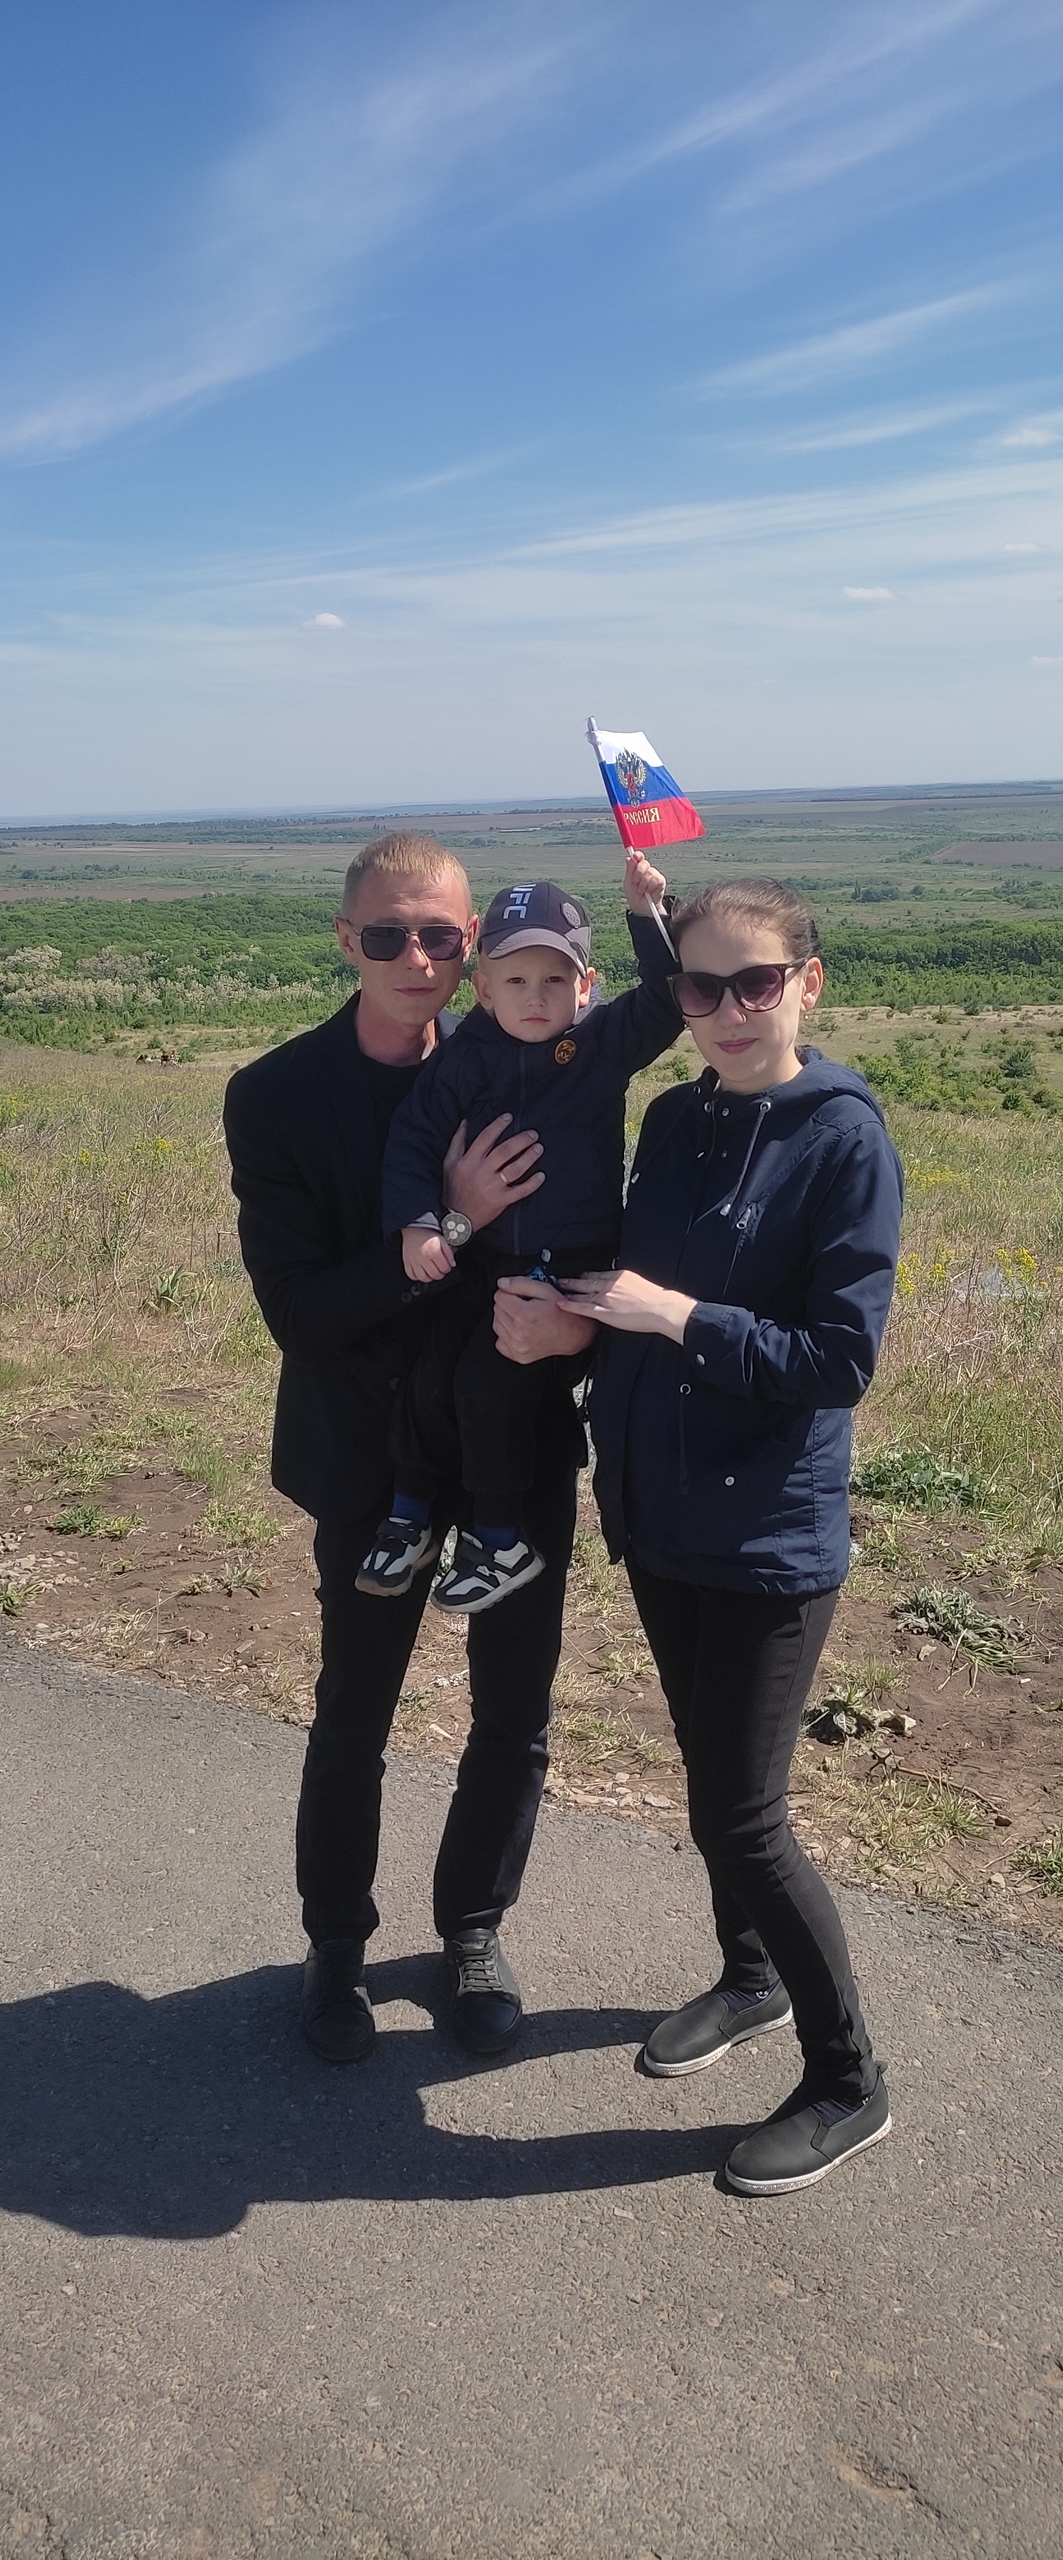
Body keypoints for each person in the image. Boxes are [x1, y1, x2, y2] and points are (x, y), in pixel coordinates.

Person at [550, 875, 904, 2197]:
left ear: (810, 981)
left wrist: (672, 1315)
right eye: (700, 986)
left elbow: (838, 1359)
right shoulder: (675, 1117)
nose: (728, 1009)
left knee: (742, 1817)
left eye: (757, 982)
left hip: (767, 1534)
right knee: (708, 1777)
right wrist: (572, 1319)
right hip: (659, 1509)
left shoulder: (843, 1140)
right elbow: (627, 1284)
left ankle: (849, 2080)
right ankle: (750, 1977)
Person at [222, 834, 594, 2068]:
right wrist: (453, 1220)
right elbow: (301, 1312)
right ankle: (336, 1942)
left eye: (440, 935)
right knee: (356, 1712)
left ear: (473, 946)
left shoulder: (531, 1054)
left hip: (513, 1445)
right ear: (347, 941)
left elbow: (592, 1236)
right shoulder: (277, 1095)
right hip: (367, 1453)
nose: (416, 957)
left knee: (515, 1711)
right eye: (388, 934)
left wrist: (580, 1329)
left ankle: (473, 1930)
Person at [358, 859, 679, 1615]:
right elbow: (414, 1140)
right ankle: (408, 1515)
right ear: (483, 988)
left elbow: (667, 1001)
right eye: (516, 979)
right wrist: (419, 1223)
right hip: (483, 1256)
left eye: (555, 980)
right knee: (429, 1370)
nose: (535, 997)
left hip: (564, 1265)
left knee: (490, 1384)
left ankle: (498, 1538)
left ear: (585, 985)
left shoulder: (600, 1045)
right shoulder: (467, 1055)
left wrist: (647, 915)